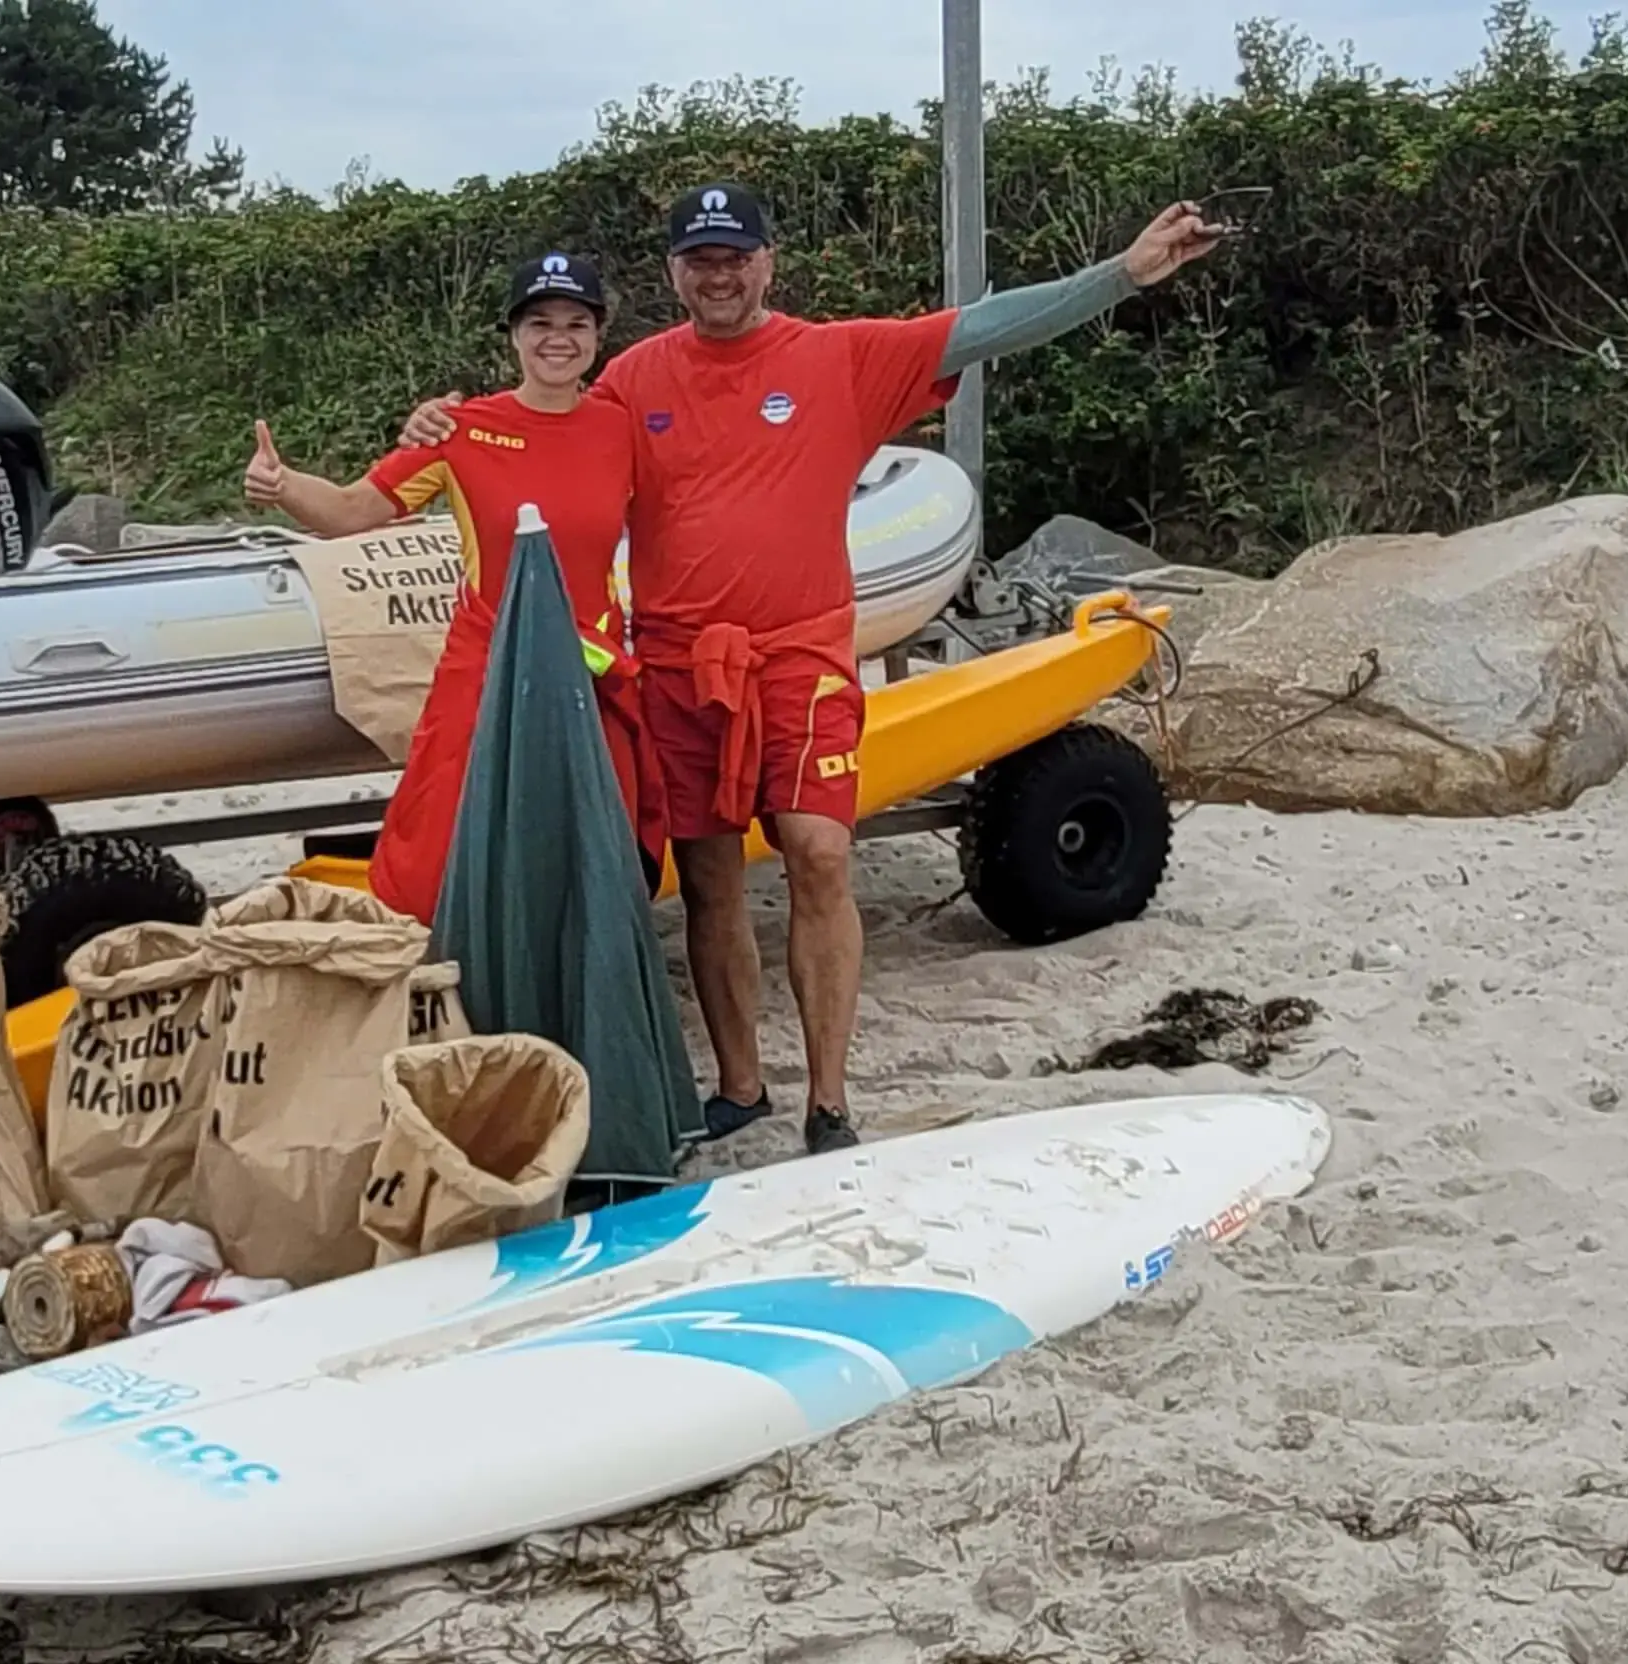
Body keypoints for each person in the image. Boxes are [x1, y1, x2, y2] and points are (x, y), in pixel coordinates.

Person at [396, 182, 1221, 1155]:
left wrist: (1118, 275)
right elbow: (540, 434)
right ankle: (741, 1085)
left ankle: (827, 1103)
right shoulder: (630, 380)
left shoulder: (838, 358)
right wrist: (437, 432)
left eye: (734, 255)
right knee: (707, 880)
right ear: (672, 274)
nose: (718, 274)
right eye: (698, 258)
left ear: (767, 261)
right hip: (672, 663)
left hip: (799, 657)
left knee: (818, 852)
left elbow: (985, 328)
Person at [242, 251, 658, 924]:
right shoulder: (461, 429)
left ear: (598, 335)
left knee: (597, 860)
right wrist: (283, 485)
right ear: (514, 336)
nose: (558, 338)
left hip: (592, 674)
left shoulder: (623, 428)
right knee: (432, 851)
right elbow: (351, 512)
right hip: (487, 666)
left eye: (576, 322)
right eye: (540, 322)